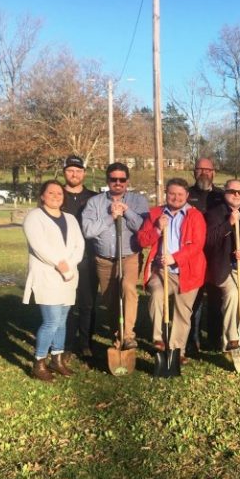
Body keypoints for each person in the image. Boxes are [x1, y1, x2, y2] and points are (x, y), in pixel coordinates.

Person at [82, 162, 149, 349]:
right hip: (104, 259)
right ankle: (116, 333)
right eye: (113, 179)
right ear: (107, 180)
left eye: (122, 179)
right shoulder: (95, 203)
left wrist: (127, 212)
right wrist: (110, 217)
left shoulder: (138, 201)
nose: (117, 183)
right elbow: (88, 230)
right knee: (110, 300)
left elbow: (144, 229)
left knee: (128, 289)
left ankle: (127, 335)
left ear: (127, 181)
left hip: (130, 256)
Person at [22, 180, 85, 381]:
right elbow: (39, 247)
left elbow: (79, 245)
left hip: (69, 277)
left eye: (59, 193)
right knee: (51, 321)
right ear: (42, 195)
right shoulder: (34, 218)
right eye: (51, 193)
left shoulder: (70, 219)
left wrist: (70, 264)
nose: (56, 196)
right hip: (47, 275)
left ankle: (57, 360)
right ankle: (39, 362)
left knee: (62, 321)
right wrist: (60, 264)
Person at [137, 178, 206, 360]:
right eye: (172, 194)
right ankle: (158, 339)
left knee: (183, 312)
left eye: (180, 194)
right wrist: (158, 229)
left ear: (187, 196)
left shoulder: (195, 216)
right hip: (161, 271)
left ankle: (177, 350)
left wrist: (175, 258)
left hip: (188, 271)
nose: (176, 198)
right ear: (166, 194)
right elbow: (143, 240)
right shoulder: (155, 214)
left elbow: (197, 245)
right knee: (156, 296)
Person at [204, 178, 240, 351]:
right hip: (223, 267)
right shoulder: (214, 213)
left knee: (239, 301)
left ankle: (233, 337)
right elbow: (209, 240)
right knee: (233, 295)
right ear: (225, 193)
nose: (236, 195)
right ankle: (233, 340)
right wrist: (228, 223)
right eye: (232, 191)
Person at [186, 156, 225, 352]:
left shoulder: (221, 196)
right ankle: (193, 339)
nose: (204, 173)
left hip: (216, 255)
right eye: (200, 169)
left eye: (208, 170)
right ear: (194, 172)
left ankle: (215, 338)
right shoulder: (186, 195)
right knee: (195, 299)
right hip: (193, 255)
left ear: (214, 173)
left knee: (217, 299)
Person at [61, 154, 98, 358]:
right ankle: (66, 344)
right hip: (64, 259)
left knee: (87, 303)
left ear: (84, 173)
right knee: (66, 303)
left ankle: (85, 343)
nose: (74, 174)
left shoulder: (93, 198)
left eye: (78, 170)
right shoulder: (58, 196)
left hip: (88, 258)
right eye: (70, 170)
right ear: (65, 172)